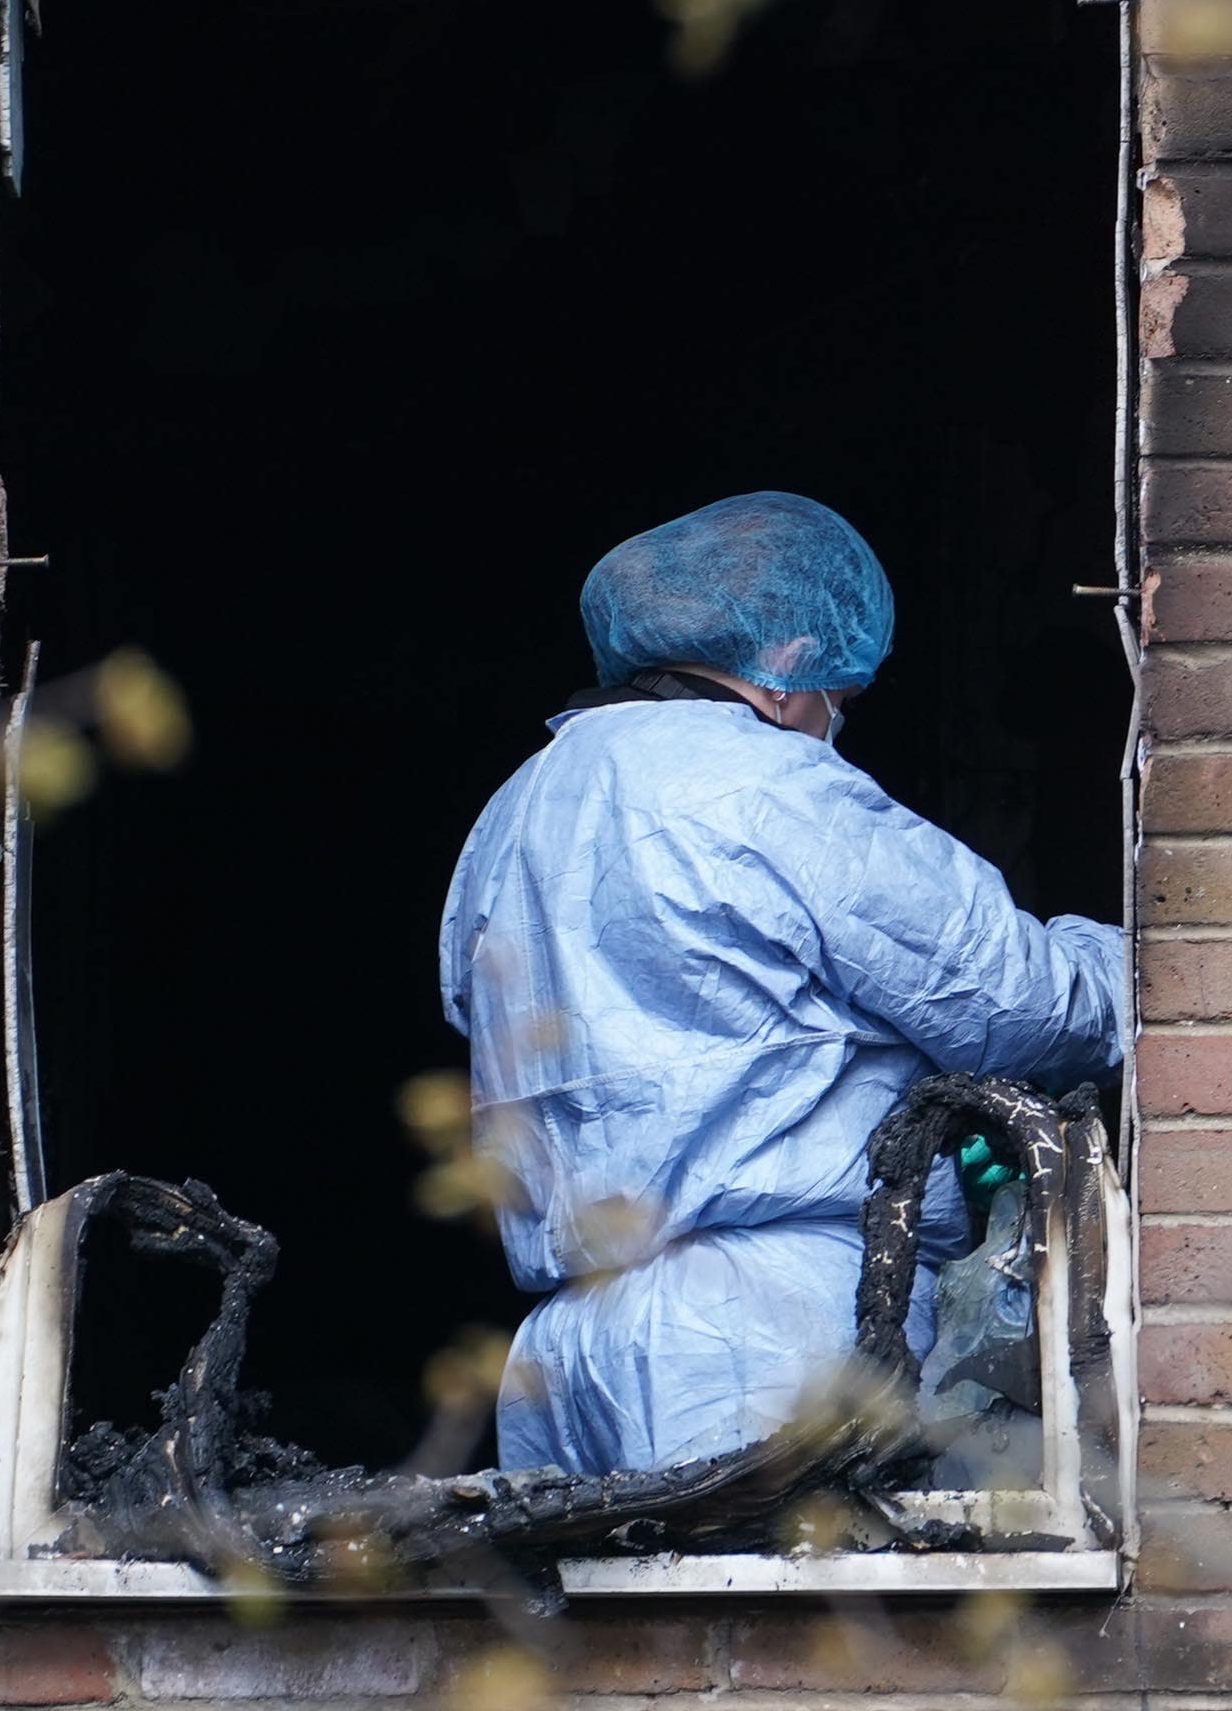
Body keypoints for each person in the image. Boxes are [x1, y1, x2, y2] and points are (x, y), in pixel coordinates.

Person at [439, 491, 1128, 1476]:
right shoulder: (762, 784)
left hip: (566, 1352)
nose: (837, 720)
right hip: (763, 1327)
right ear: (791, 663)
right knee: (793, 1627)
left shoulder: (519, 805)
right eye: (841, 695)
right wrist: (1167, 959)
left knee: (608, 1633)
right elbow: (1016, 1002)